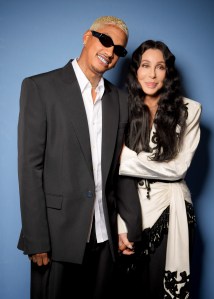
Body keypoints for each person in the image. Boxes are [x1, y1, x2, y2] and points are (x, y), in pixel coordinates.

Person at [17, 16, 129, 299]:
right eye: (105, 40)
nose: (110, 51)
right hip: (55, 238)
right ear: (86, 36)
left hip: (105, 239)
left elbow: (118, 171)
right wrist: (36, 238)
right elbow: (30, 168)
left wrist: (126, 228)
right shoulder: (40, 88)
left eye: (119, 50)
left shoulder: (120, 100)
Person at [116, 40, 202, 299]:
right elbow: (112, 178)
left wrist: (123, 160)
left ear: (169, 72)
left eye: (160, 67)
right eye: (145, 66)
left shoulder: (190, 109)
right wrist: (121, 224)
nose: (152, 75)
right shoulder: (121, 107)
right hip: (130, 212)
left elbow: (178, 169)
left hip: (172, 210)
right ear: (135, 70)